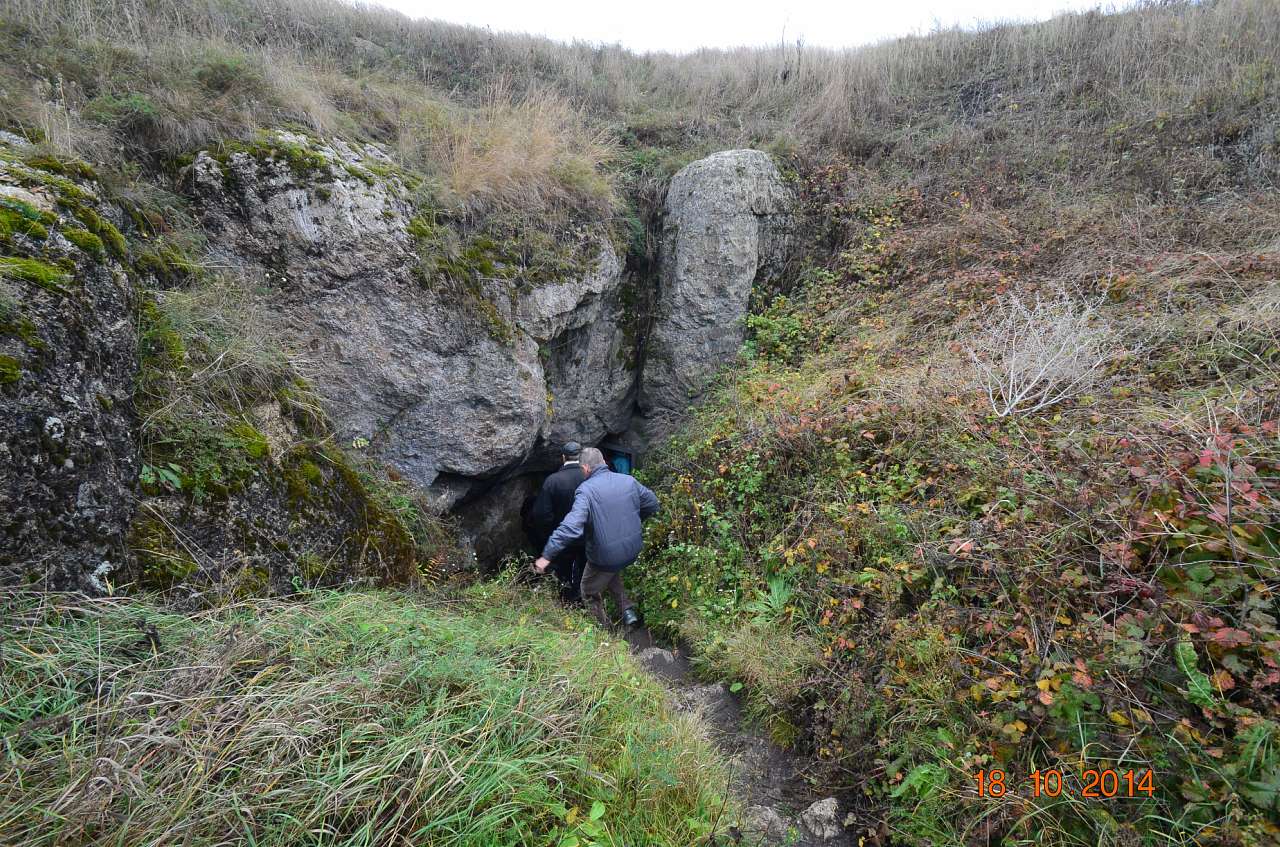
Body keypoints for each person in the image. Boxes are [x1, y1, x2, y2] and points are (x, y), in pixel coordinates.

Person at [535, 447, 659, 630]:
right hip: (632, 548)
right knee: (609, 570)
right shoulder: (628, 480)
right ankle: (628, 611)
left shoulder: (586, 491)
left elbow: (570, 526)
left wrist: (546, 555)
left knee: (588, 590)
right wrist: (633, 522)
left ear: (585, 468)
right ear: (604, 462)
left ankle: (604, 631)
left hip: (606, 554)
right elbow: (653, 503)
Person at [528, 441, 587, 602]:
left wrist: (549, 533)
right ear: (580, 457)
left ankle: (568, 602)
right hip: (588, 537)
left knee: (564, 572)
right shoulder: (589, 476)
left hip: (563, 537)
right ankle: (583, 598)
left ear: (563, 457)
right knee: (585, 571)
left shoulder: (553, 481)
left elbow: (541, 514)